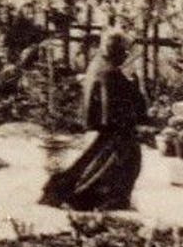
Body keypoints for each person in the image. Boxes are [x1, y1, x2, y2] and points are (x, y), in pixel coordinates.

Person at [39, 32, 146, 212]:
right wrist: (134, 82)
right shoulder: (109, 72)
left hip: (105, 126)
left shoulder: (99, 64)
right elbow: (128, 103)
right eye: (124, 52)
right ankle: (95, 198)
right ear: (116, 51)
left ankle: (73, 193)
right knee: (117, 161)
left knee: (93, 161)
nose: (126, 56)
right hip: (114, 128)